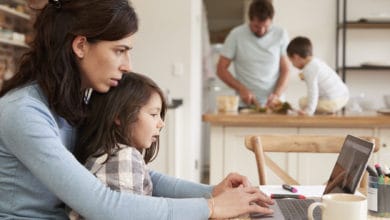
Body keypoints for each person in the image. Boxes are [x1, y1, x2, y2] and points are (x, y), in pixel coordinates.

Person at [0, 0, 274, 219]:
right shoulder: (24, 113)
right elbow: (103, 205)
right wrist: (211, 208)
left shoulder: (73, 102)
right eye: (120, 50)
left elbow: (139, 174)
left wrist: (212, 192)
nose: (127, 64)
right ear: (81, 45)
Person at [217, 0, 290, 108]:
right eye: (256, 26)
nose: (261, 30)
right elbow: (221, 69)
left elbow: (286, 70)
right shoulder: (236, 35)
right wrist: (241, 88)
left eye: (266, 26)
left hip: (275, 105)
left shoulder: (281, 34)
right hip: (245, 105)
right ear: (249, 20)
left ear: (271, 21)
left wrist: (276, 95)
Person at [286, 36, 349, 115]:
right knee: (313, 99)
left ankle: (325, 112)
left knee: (302, 102)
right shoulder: (317, 62)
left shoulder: (309, 69)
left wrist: (308, 111)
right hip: (344, 96)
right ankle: (329, 111)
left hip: (333, 102)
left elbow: (313, 91)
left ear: (296, 57)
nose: (293, 65)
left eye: (292, 61)